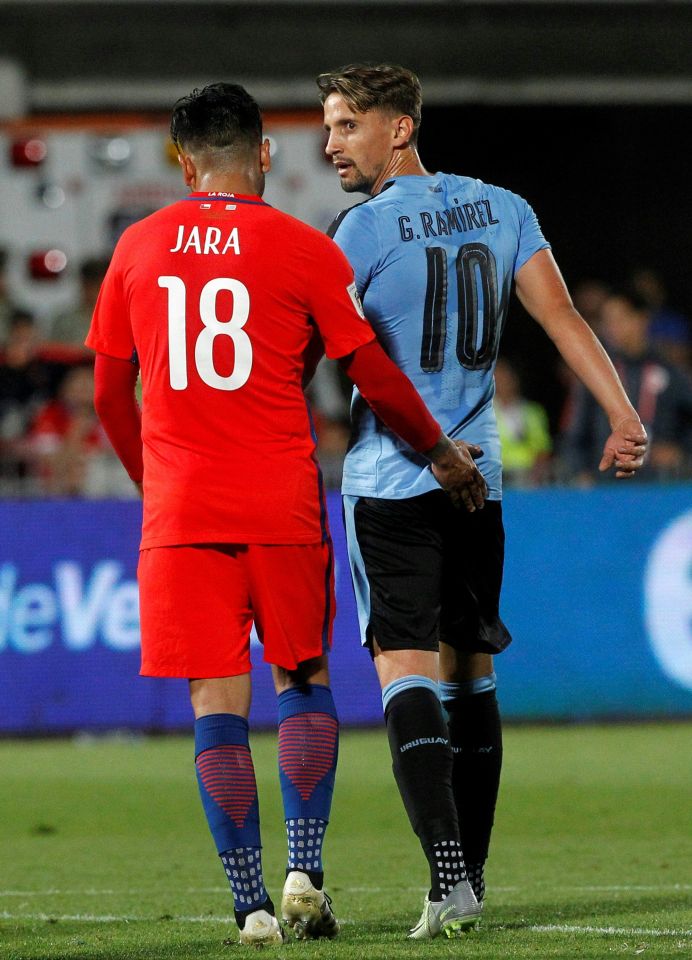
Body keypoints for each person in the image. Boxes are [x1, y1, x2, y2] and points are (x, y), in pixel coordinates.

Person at [86, 82, 483, 947]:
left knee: (214, 707)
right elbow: (369, 371)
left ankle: (251, 904)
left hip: (183, 511)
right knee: (304, 683)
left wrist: (154, 485)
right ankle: (307, 866)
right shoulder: (304, 248)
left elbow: (111, 394)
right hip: (279, 498)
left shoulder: (137, 248)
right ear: (265, 154)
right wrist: (439, 452)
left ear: (184, 161)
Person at [317, 62, 648, 940]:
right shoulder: (505, 206)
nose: (330, 142)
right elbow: (563, 315)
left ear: (401, 128)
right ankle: (474, 881)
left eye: (348, 124)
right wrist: (622, 413)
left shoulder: (358, 230)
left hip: (396, 479)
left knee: (405, 669)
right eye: (329, 125)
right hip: (482, 481)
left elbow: (344, 356)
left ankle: (448, 875)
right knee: (472, 671)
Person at [562, 288, 692, 483]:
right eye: (608, 322)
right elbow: (576, 432)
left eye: (620, 319)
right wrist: (579, 472)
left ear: (642, 319)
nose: (613, 328)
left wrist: (681, 451)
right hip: (604, 484)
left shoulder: (671, 371)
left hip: (659, 487)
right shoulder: (596, 372)